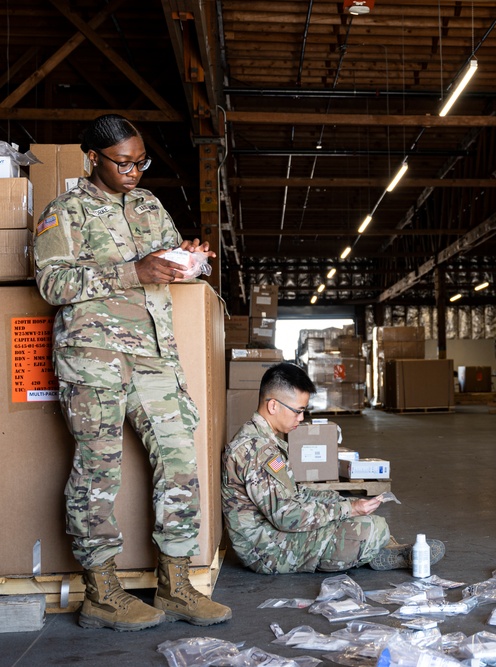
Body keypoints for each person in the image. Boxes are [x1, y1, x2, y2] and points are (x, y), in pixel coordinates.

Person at [34, 114, 231, 631]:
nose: (135, 172)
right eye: (123, 162)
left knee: (180, 458)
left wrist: (188, 259)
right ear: (93, 157)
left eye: (141, 162)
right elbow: (52, 285)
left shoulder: (149, 206)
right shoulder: (65, 211)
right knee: (99, 469)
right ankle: (101, 593)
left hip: (154, 354)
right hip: (94, 357)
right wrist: (132, 271)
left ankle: (175, 583)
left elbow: (164, 261)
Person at [222, 362, 445, 574]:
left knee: (353, 513)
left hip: (274, 533)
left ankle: (377, 550)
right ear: (273, 405)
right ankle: (375, 550)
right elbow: (287, 517)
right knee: (369, 528)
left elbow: (294, 494)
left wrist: (337, 500)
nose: (301, 418)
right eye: (298, 411)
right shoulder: (256, 450)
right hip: (266, 550)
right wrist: (349, 509)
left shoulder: (263, 440)